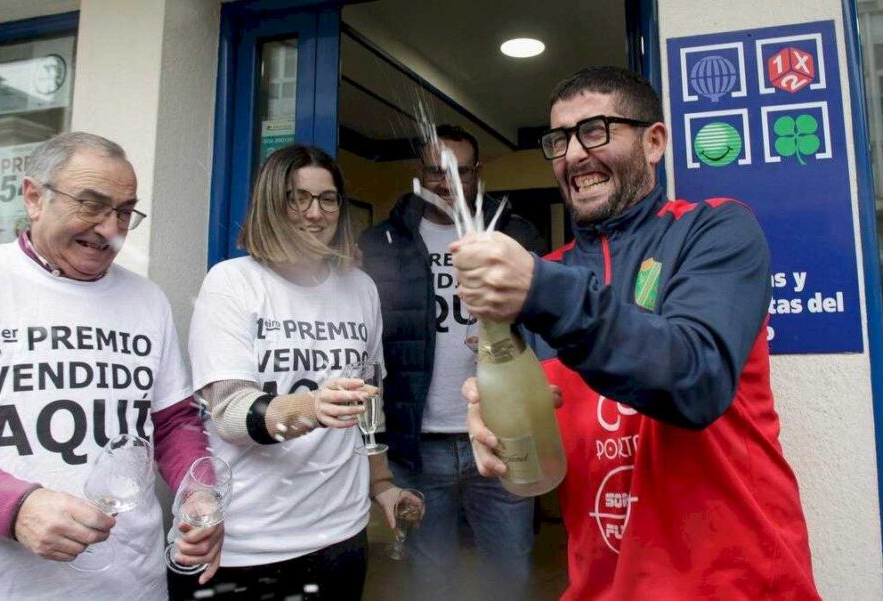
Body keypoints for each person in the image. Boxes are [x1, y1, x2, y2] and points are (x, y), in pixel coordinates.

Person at [455, 67, 822, 600]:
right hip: (604, 586)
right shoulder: (545, 282)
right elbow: (543, 421)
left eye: (596, 130)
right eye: (559, 140)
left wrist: (541, 290)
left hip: (737, 585)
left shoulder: (714, 229)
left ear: (654, 142)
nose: (574, 154)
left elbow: (695, 378)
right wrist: (491, 415)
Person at [0, 132, 223, 601]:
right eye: (91, 204)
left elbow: (173, 423)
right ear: (34, 197)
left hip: (130, 587)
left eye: (123, 212)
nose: (108, 228)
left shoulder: (147, 300)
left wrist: (198, 492)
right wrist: (18, 507)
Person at [175, 145, 421, 601]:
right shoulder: (232, 282)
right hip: (253, 540)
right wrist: (310, 407)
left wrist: (381, 483)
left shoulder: (360, 288)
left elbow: (371, 405)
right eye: (297, 198)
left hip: (341, 532)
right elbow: (230, 413)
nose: (315, 212)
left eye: (328, 199)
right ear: (272, 203)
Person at [357, 124, 545, 598]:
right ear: (419, 175)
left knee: (509, 571)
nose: (448, 184)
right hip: (419, 446)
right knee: (430, 576)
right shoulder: (381, 243)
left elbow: (547, 328)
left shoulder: (514, 237)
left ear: (478, 173)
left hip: (502, 438)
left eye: (459, 172)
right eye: (435, 173)